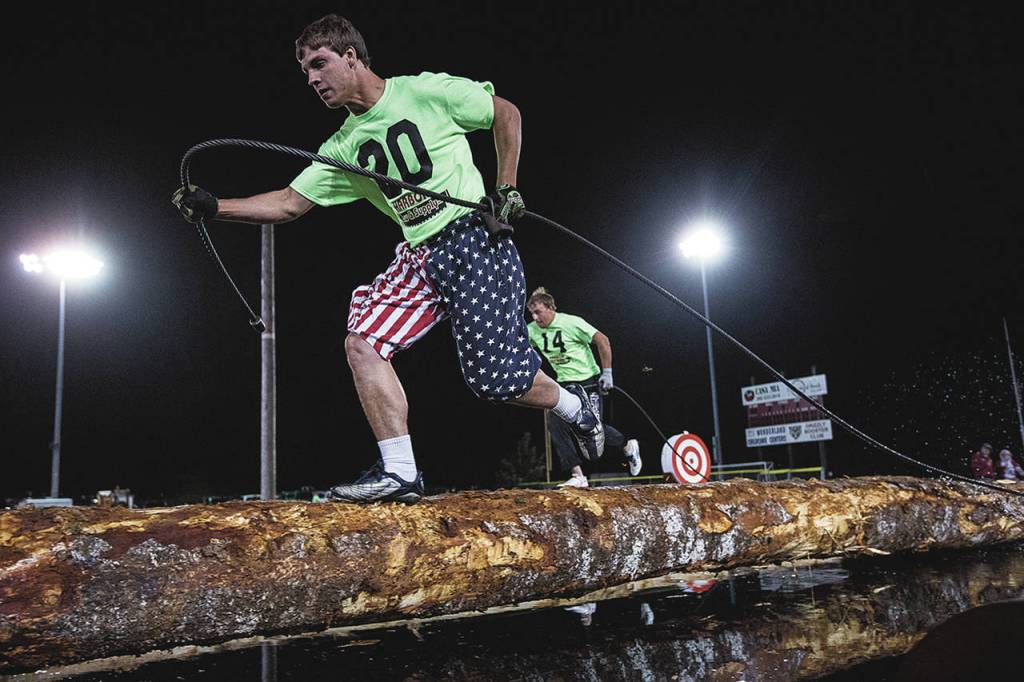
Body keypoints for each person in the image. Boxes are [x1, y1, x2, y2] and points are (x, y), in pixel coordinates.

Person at [172, 14, 604, 504]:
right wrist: (215, 207)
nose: (312, 79)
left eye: (319, 64)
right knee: (362, 343)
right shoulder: (342, 147)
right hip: (421, 255)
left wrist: (506, 187)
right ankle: (400, 471)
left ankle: (576, 407)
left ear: (351, 57)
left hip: (474, 240)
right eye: (305, 71)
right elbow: (289, 203)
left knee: (495, 381)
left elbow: (505, 113)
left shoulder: (424, 92)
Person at [526, 287, 641, 488]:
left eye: (538, 312)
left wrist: (607, 373)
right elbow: (516, 344)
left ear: (551, 308)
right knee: (555, 422)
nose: (535, 318)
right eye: (531, 314)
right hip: (564, 384)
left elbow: (602, 340)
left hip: (588, 381)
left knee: (592, 429)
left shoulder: (571, 322)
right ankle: (578, 475)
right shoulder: (532, 330)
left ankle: (627, 445)